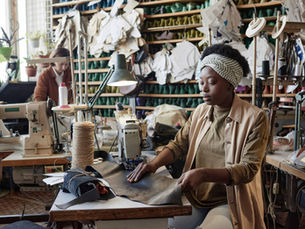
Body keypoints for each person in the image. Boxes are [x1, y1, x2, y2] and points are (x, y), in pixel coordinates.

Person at [127, 44, 269, 229]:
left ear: (229, 83)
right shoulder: (201, 111)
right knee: (158, 224)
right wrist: (153, 165)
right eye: (201, 82)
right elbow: (179, 145)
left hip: (230, 201)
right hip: (197, 197)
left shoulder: (255, 117)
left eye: (211, 82)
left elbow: (248, 169)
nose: (204, 88)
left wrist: (203, 174)